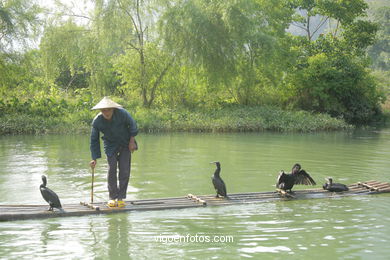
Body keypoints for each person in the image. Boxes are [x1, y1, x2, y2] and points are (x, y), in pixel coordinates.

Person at [89, 96, 138, 208]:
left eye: (108, 110)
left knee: (124, 170)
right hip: (110, 144)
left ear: (113, 109)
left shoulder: (123, 113)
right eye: (103, 110)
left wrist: (132, 142)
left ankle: (120, 198)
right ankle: (112, 197)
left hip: (125, 142)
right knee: (111, 169)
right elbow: (94, 140)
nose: (106, 112)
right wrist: (94, 158)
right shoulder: (97, 121)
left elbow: (133, 126)